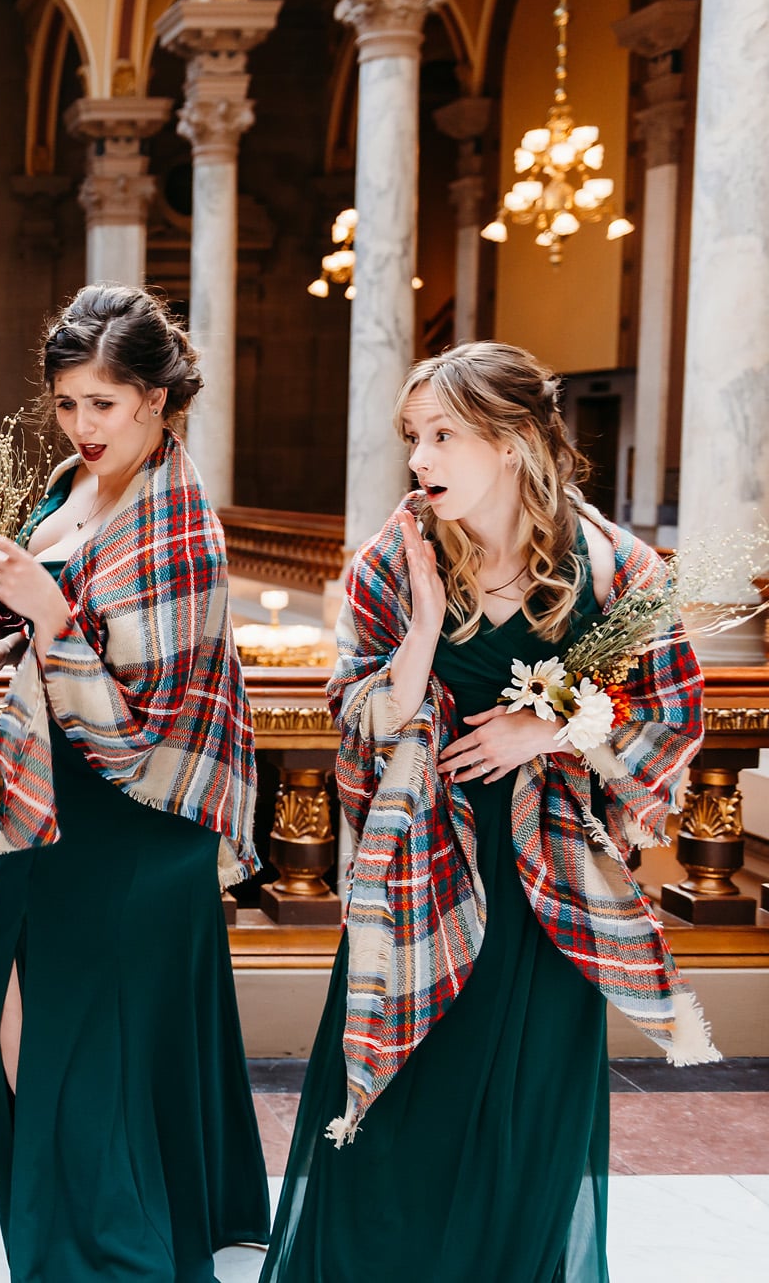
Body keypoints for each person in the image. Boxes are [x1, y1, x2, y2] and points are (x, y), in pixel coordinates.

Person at [263, 341, 717, 1281]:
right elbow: (353, 718)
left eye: (443, 436)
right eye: (412, 438)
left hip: (548, 893)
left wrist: (544, 729)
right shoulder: (395, 558)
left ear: (511, 442)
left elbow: (671, 716)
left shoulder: (611, 570)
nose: (420, 458)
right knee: (393, 1122)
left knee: (525, 1129)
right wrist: (423, 635)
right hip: (421, 873)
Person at [0, 284, 270, 1280]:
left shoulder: (183, 527)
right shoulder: (71, 482)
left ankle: (109, 1246)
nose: (82, 423)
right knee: (16, 1001)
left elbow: (141, 728)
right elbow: (50, 615)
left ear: (155, 398)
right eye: (66, 401)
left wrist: (47, 617)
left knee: (84, 1034)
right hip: (53, 800)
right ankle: (79, 1211)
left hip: (135, 813)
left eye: (104, 402)